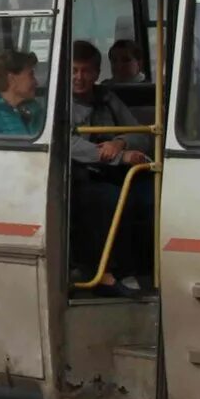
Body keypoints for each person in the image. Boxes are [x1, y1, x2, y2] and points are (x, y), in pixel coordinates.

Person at [68, 44, 154, 287]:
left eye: (86, 71)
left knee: (152, 194)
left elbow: (141, 133)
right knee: (113, 199)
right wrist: (116, 157)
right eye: (74, 70)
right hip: (79, 176)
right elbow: (68, 143)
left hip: (115, 171)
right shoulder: (59, 102)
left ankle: (148, 266)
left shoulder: (106, 98)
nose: (79, 78)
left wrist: (120, 141)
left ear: (96, 73)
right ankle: (117, 272)